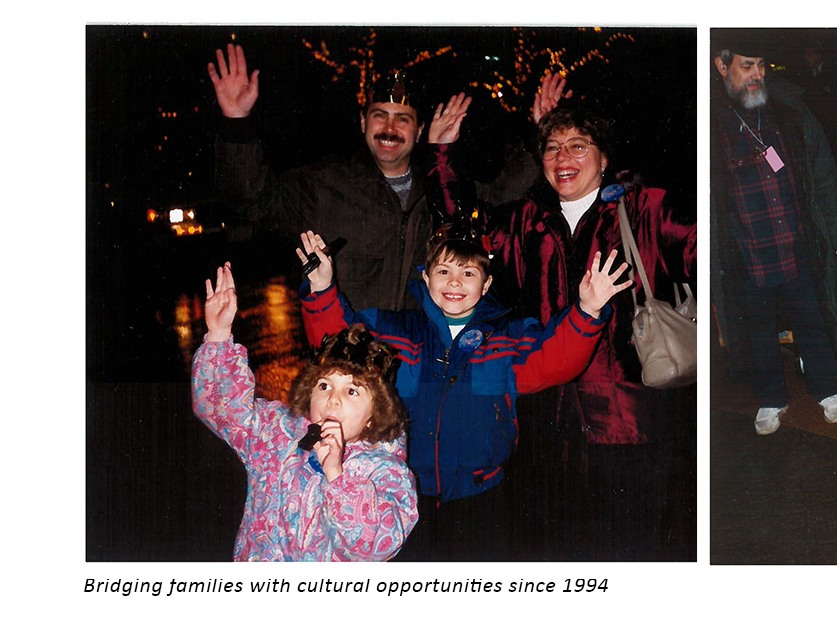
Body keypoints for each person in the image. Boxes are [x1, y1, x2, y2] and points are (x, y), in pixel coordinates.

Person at [431, 76, 697, 559]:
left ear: (604, 157)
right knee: (553, 550)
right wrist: (443, 155)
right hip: (546, 429)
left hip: (630, 425)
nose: (563, 158)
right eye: (552, 148)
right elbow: (461, 228)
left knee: (631, 549)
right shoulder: (525, 222)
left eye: (579, 146)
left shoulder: (643, 210)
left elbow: (704, 246)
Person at [296, 223, 632, 560]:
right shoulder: (394, 332)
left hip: (482, 495)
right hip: (402, 492)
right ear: (426, 278)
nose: (454, 281)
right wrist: (322, 286)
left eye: (468, 272)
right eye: (443, 270)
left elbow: (556, 359)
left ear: (486, 284)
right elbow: (340, 348)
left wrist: (587, 312)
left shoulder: (507, 338)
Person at [208, 43, 471, 310]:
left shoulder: (440, 195)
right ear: (363, 122)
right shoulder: (323, 186)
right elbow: (251, 198)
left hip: (418, 351)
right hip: (345, 350)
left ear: (418, 131)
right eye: (379, 116)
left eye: (403, 119)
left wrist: (442, 152)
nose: (389, 129)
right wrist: (236, 121)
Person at [192, 262, 419, 561]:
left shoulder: (384, 471)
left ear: (375, 413)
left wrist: (337, 477)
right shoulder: (277, 434)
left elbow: (377, 544)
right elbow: (222, 409)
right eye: (324, 386)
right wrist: (219, 335)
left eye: (352, 391)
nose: (333, 399)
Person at [711, 36, 837, 434]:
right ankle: (771, 399)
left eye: (761, 65)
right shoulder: (711, 125)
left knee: (812, 320)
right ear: (722, 67)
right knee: (758, 331)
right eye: (746, 66)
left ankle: (827, 389)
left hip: (795, 242)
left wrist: (836, 227)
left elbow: (822, 171)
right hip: (746, 253)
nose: (757, 75)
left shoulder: (788, 111)